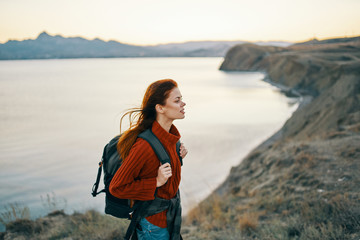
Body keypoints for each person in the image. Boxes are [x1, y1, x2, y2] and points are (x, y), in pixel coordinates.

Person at [109, 79, 188, 240]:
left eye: (181, 99)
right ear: (160, 108)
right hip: (153, 226)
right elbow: (117, 187)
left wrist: (178, 159)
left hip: (168, 219)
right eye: (177, 100)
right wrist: (156, 182)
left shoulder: (170, 138)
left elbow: (160, 172)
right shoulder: (144, 146)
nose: (183, 104)